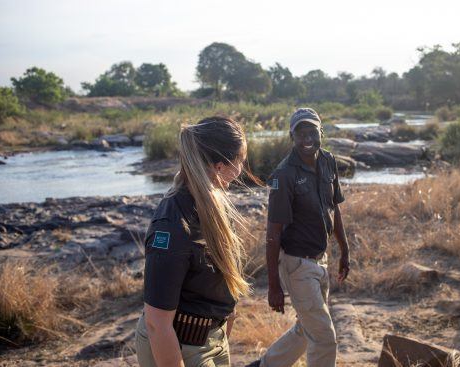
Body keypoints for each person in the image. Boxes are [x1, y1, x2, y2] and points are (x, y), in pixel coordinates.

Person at [135, 116, 252, 367]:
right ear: (219, 167)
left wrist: (223, 334)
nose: (241, 170)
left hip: (212, 341)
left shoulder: (212, 204)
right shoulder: (173, 225)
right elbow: (157, 324)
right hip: (178, 348)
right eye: (240, 161)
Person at [247, 108, 350, 367]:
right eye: (300, 132)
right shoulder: (284, 175)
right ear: (292, 136)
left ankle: (264, 366)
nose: (307, 137)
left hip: (321, 260)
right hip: (296, 265)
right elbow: (273, 234)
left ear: (321, 132)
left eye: (312, 130)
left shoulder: (328, 161)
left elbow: (333, 207)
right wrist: (273, 285)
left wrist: (344, 251)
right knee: (324, 337)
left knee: (308, 329)